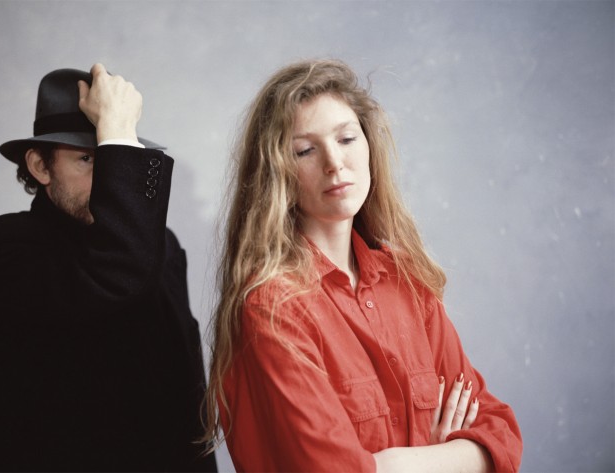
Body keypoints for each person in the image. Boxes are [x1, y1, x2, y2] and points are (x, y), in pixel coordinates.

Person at [204, 59, 522, 472]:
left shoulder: (407, 282)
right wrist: (445, 458)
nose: (334, 163)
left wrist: (389, 462)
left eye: (347, 138)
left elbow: (502, 435)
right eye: (305, 150)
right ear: (277, 173)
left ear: (368, 144)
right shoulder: (272, 307)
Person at [0, 64, 217, 472]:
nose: (108, 179)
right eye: (87, 159)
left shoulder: (162, 246)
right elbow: (117, 279)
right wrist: (116, 131)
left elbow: (186, 388)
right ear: (41, 166)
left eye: (113, 159)